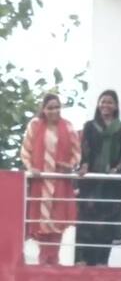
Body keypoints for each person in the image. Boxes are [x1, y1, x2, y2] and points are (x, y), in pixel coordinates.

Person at [20, 94, 81, 265]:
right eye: (50, 108)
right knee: (40, 223)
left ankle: (53, 260)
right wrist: (30, 167)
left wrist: (70, 165)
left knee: (57, 222)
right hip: (40, 181)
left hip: (60, 181)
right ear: (43, 109)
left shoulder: (68, 126)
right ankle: (44, 260)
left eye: (57, 107)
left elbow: (77, 154)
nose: (54, 111)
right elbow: (25, 151)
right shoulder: (35, 125)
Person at [75, 90, 121, 266]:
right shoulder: (89, 126)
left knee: (107, 222)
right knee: (88, 221)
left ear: (115, 106)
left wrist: (118, 169)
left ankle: (102, 260)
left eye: (110, 102)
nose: (105, 105)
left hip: (111, 183)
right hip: (92, 182)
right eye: (103, 102)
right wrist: (85, 165)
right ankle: (85, 259)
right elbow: (85, 149)